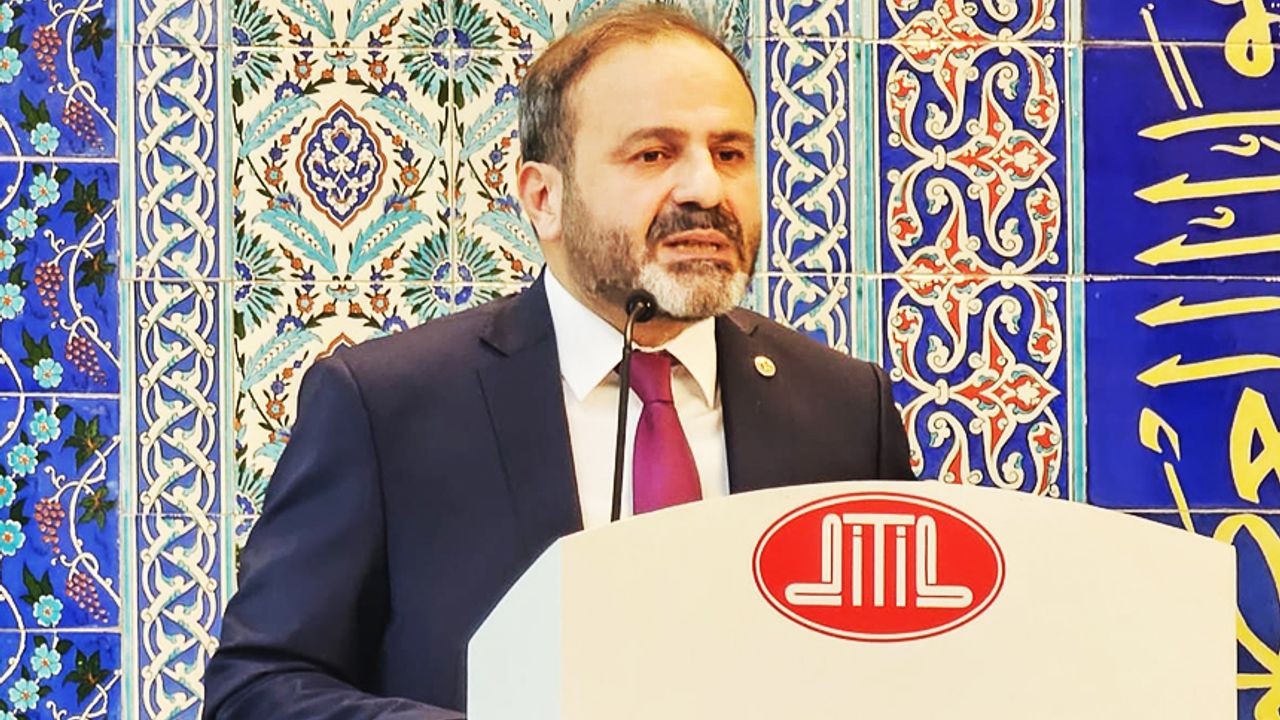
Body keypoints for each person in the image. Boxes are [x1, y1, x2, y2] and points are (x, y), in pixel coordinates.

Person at [202, 4, 915, 718]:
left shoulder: (844, 409)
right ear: (543, 198)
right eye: (653, 154)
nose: (705, 189)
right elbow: (255, 690)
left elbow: (904, 675)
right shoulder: (387, 406)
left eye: (730, 153)